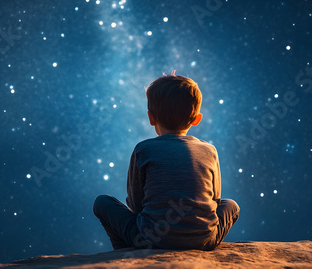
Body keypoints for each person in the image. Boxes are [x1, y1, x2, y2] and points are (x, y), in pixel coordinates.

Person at [93, 72, 240, 251]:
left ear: (150, 117)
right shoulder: (210, 151)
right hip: (203, 240)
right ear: (197, 119)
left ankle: (125, 248)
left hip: (151, 239)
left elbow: (135, 204)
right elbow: (215, 200)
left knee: (102, 202)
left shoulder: (143, 149)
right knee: (231, 205)